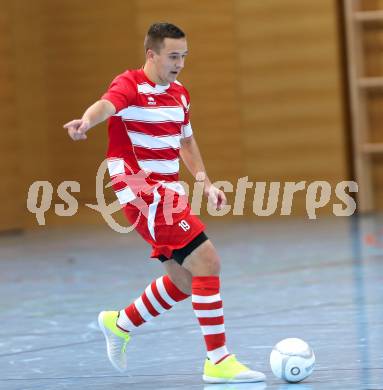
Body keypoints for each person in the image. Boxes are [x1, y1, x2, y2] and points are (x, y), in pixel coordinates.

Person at [64, 22, 265, 384]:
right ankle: (218, 360)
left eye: (184, 56)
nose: (179, 63)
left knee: (186, 281)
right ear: (151, 55)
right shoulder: (129, 85)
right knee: (208, 260)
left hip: (168, 193)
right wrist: (87, 121)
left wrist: (205, 182)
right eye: (173, 56)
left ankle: (119, 322)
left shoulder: (180, 94)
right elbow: (107, 105)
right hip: (142, 193)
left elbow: (186, 143)